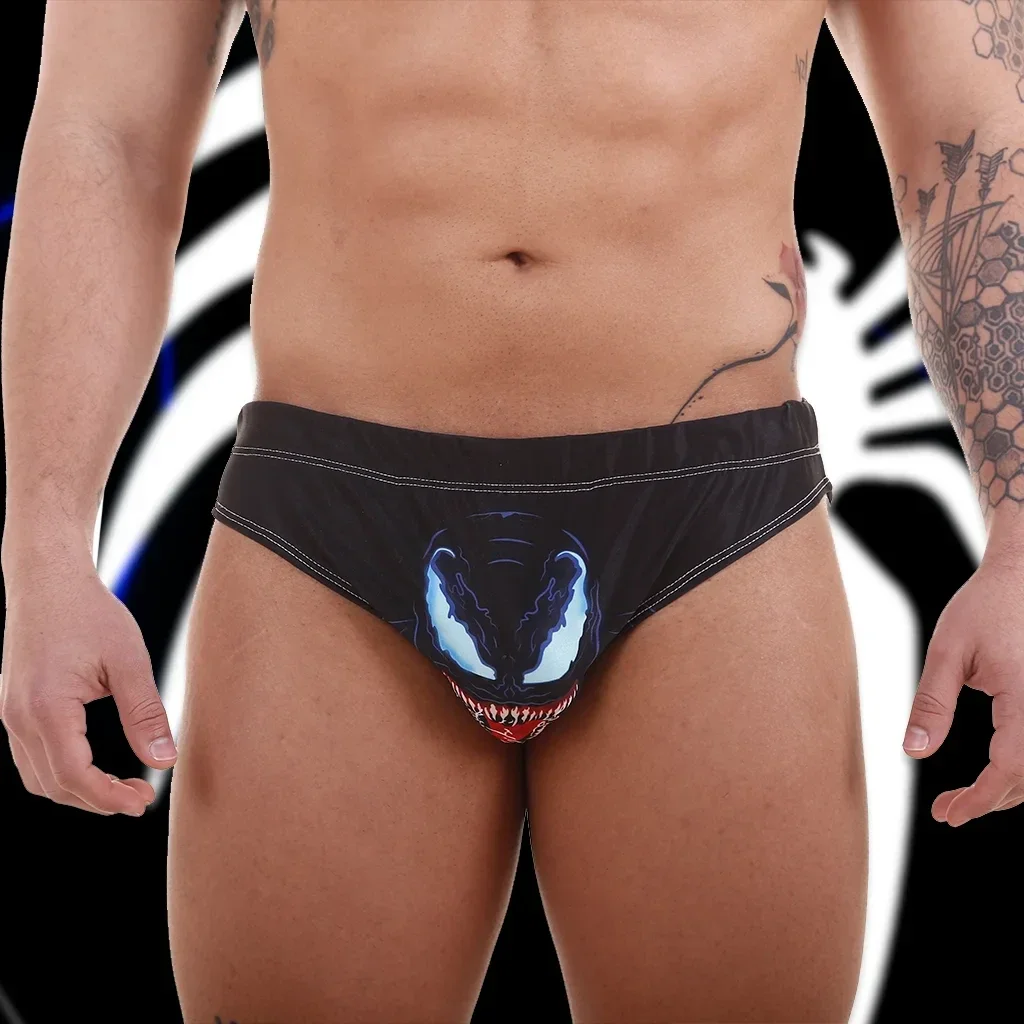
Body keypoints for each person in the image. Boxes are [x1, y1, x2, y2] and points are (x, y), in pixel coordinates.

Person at [3, 1, 1023, 1020]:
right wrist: (46, 550)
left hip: (708, 526)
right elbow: (109, 134)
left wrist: (1019, 538)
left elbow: (969, 132)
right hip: (330, 519)